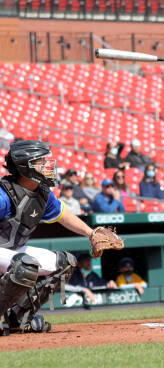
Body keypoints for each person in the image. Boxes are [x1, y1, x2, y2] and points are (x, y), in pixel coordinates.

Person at [0, 140, 122, 334]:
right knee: (25, 265)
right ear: (24, 166)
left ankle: (19, 316)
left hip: (10, 250)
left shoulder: (42, 193)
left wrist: (91, 233)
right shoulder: (4, 195)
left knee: (65, 262)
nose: (47, 166)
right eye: (40, 162)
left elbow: (63, 215)